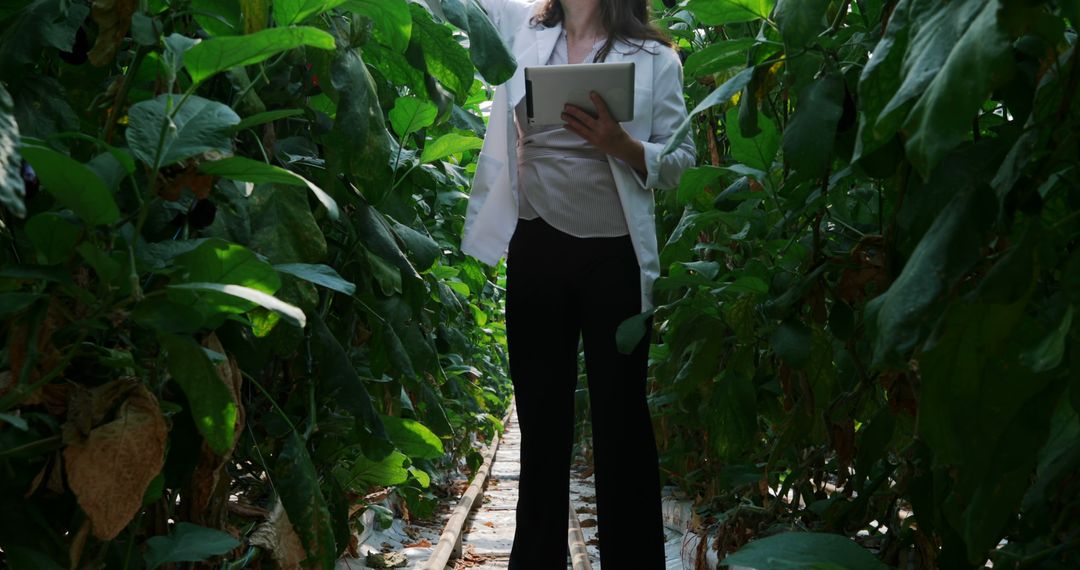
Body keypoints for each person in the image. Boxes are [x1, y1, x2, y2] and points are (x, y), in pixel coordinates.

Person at [458, 0, 696, 567]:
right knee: (541, 426)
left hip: (614, 254)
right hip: (537, 244)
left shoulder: (656, 57)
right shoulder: (523, 35)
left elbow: (682, 158)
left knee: (622, 423)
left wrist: (623, 145)